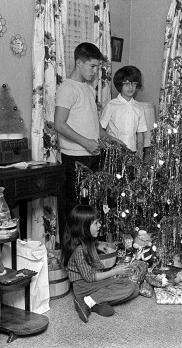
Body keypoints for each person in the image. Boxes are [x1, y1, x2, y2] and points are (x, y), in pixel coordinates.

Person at [54, 42, 111, 235]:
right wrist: (85, 142)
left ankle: (89, 251)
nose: (95, 72)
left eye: (97, 67)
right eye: (92, 66)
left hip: (93, 156)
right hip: (75, 158)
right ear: (79, 63)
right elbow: (59, 124)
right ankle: (73, 255)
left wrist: (110, 140)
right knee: (76, 207)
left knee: (92, 206)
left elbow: (93, 124)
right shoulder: (68, 89)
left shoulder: (88, 88)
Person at [61, 205, 139, 323]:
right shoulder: (79, 251)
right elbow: (90, 277)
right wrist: (115, 271)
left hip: (91, 285)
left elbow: (93, 244)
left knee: (135, 290)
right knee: (130, 286)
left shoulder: (88, 240)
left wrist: (98, 245)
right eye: (96, 223)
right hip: (83, 286)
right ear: (84, 227)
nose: (99, 225)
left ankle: (93, 303)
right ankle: (88, 301)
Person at [100, 66, 148, 159]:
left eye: (134, 84)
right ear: (120, 85)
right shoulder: (111, 105)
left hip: (132, 151)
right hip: (113, 151)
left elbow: (140, 132)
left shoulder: (139, 108)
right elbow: (101, 128)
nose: (131, 87)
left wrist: (140, 150)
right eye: (126, 84)